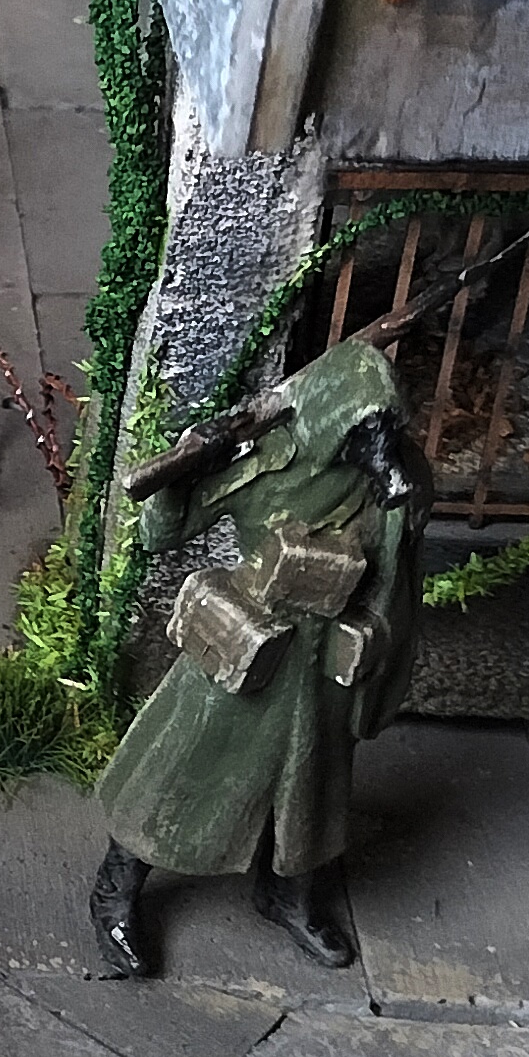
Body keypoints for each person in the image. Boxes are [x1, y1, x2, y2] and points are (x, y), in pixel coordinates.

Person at [87, 336, 424, 977]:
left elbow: (397, 573)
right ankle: (116, 888)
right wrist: (186, 466)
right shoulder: (268, 463)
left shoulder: (397, 480)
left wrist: (379, 646)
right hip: (250, 649)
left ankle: (288, 894)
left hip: (325, 663)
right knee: (177, 772)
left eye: (385, 429)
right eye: (364, 432)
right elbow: (163, 532)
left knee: (310, 790)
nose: (378, 448)